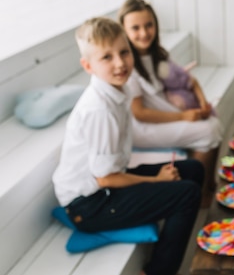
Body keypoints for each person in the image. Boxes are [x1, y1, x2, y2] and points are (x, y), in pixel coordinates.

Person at [52, 17, 204, 275]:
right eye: (106, 58)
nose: (120, 63)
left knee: (193, 169)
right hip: (89, 205)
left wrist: (159, 179)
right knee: (186, 193)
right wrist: (158, 180)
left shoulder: (116, 91)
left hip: (106, 184)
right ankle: (158, 271)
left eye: (124, 52)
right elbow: (105, 178)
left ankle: (177, 231)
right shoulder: (99, 109)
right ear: (88, 66)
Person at [118, 0, 223, 207]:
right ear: (124, 31)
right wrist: (184, 116)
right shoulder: (128, 66)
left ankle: (208, 183)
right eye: (135, 28)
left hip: (163, 115)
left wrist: (199, 104)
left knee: (212, 122)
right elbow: (139, 112)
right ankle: (199, 194)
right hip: (143, 128)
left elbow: (187, 80)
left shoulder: (156, 54)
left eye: (149, 25)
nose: (144, 32)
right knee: (209, 130)